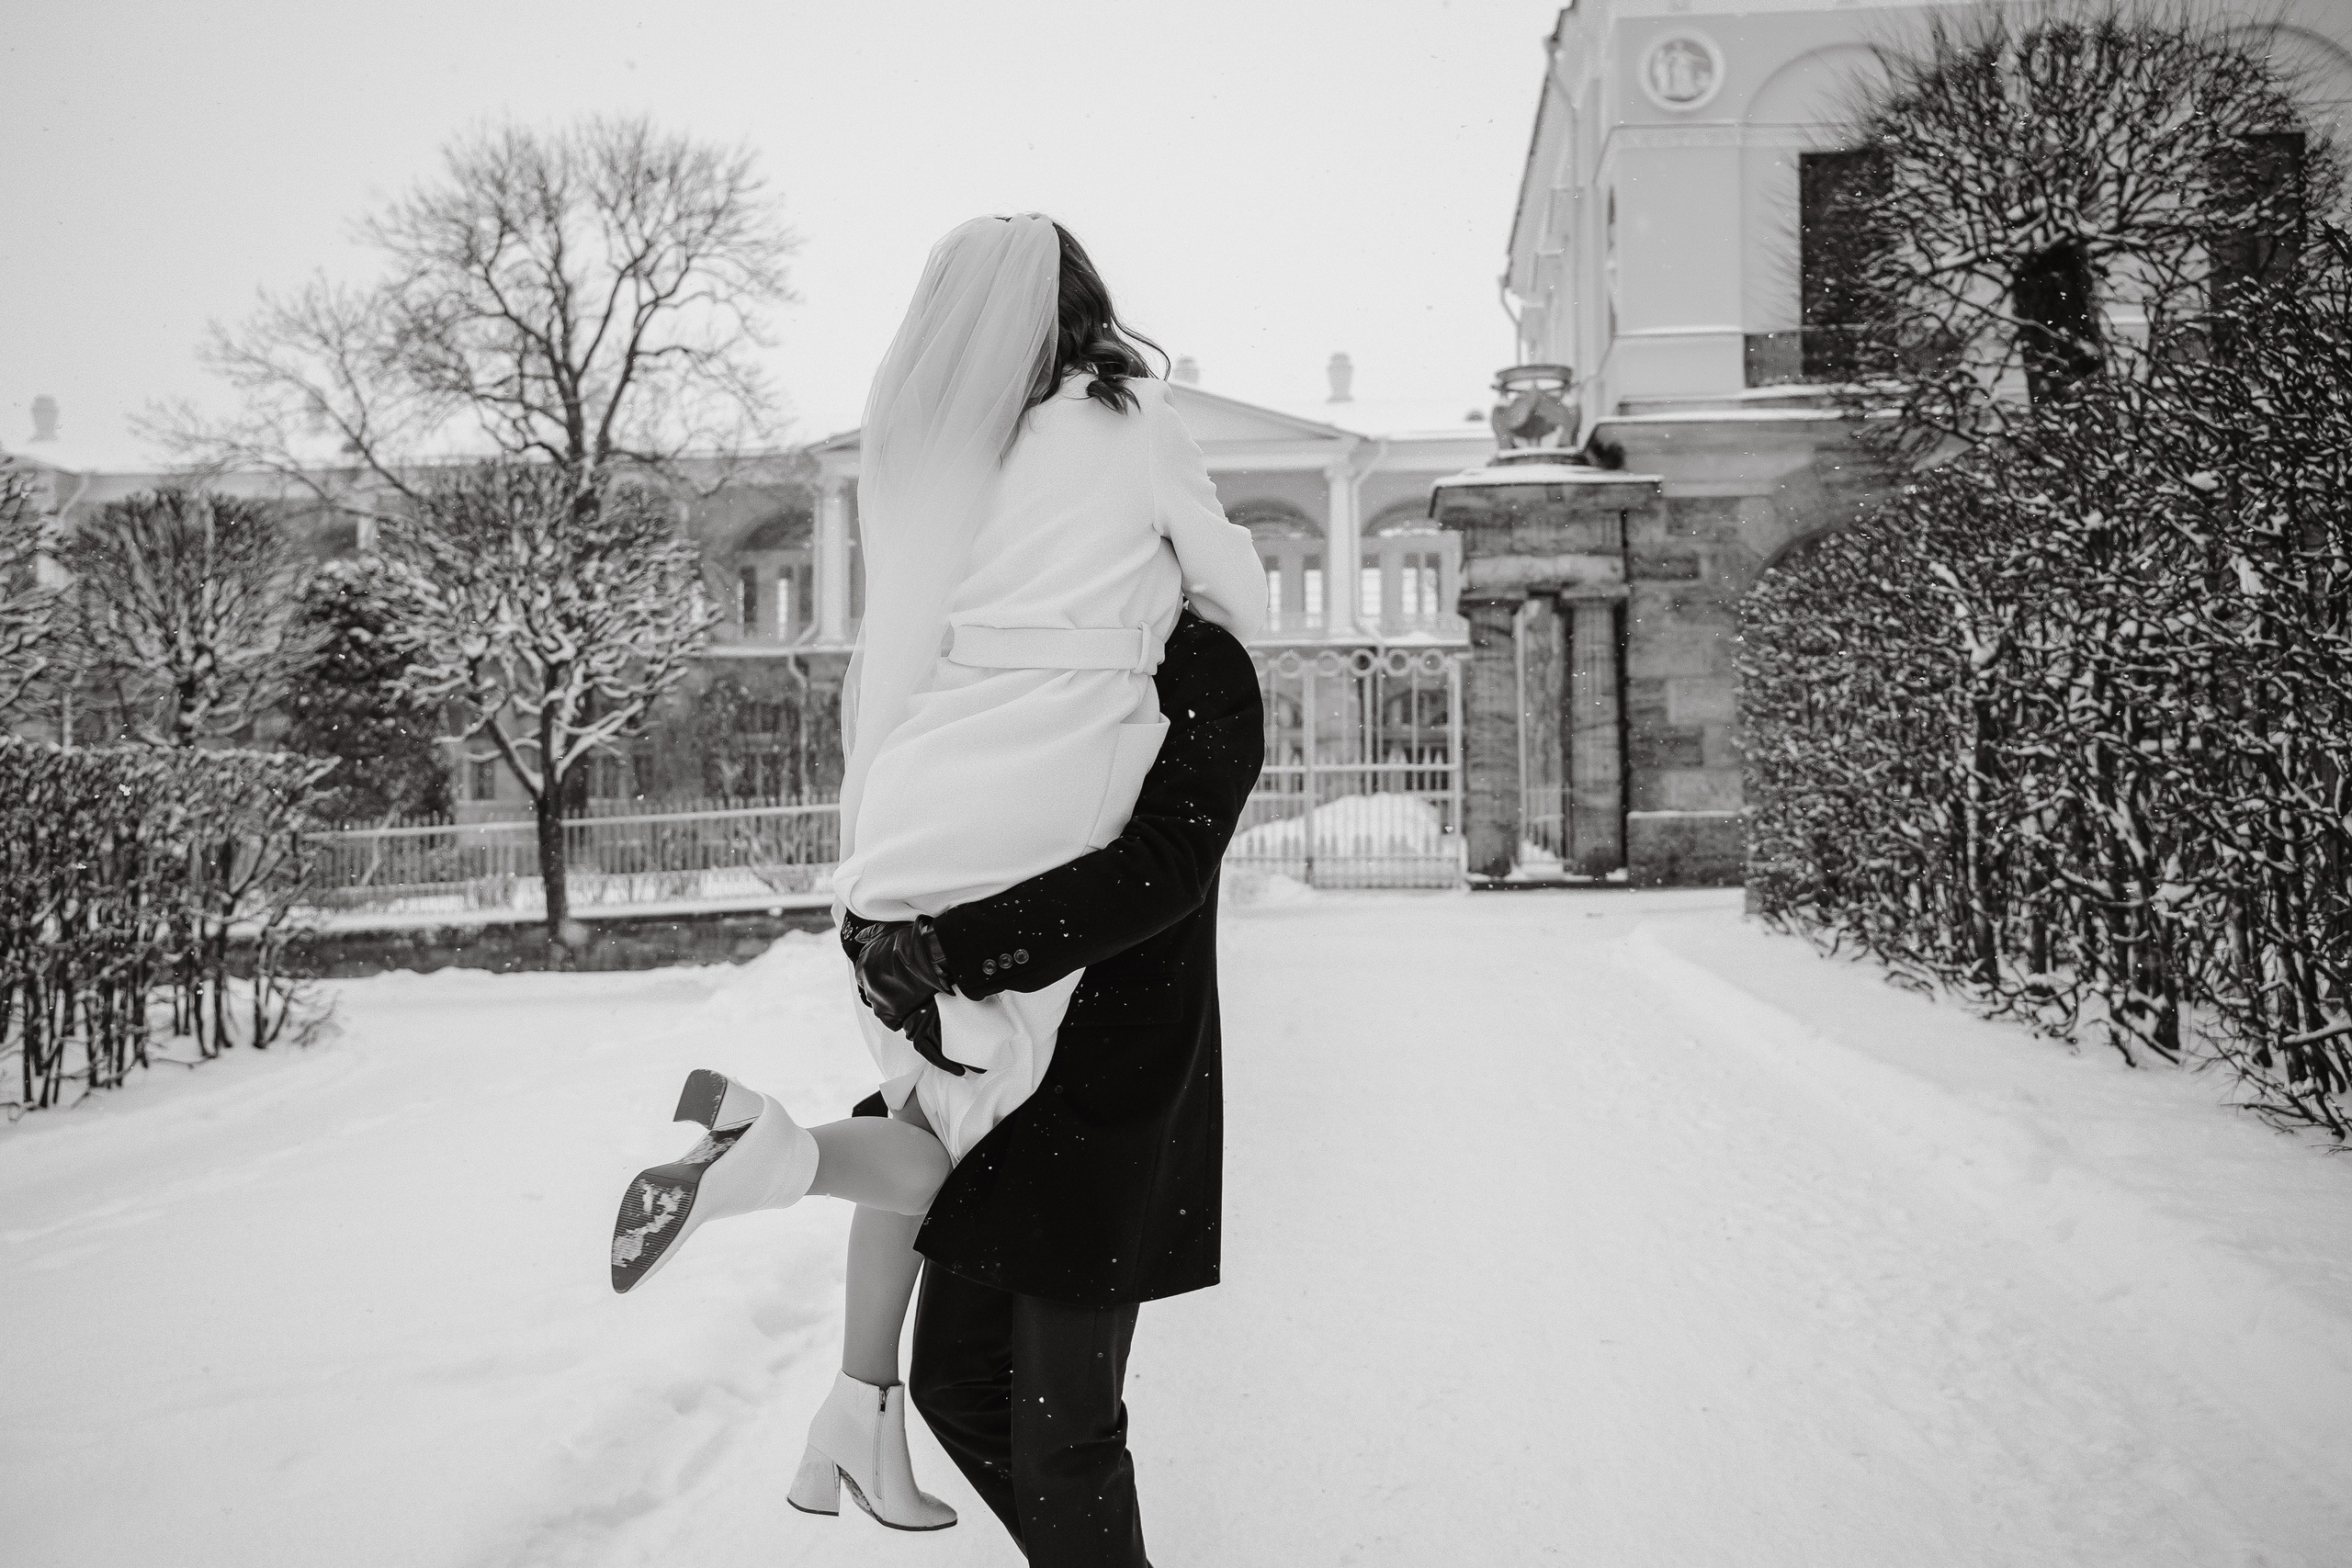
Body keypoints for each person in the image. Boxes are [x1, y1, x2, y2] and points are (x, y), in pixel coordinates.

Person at [605, 214, 1264, 1545]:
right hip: (1086, 1016)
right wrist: (973, 942)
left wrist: (917, 929)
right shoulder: (1161, 569)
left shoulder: (943, 466)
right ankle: (787, 1190)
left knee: (946, 1154)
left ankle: (785, 1176)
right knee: (1057, 1404)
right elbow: (1162, 859)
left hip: (911, 822)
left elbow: (918, 634)